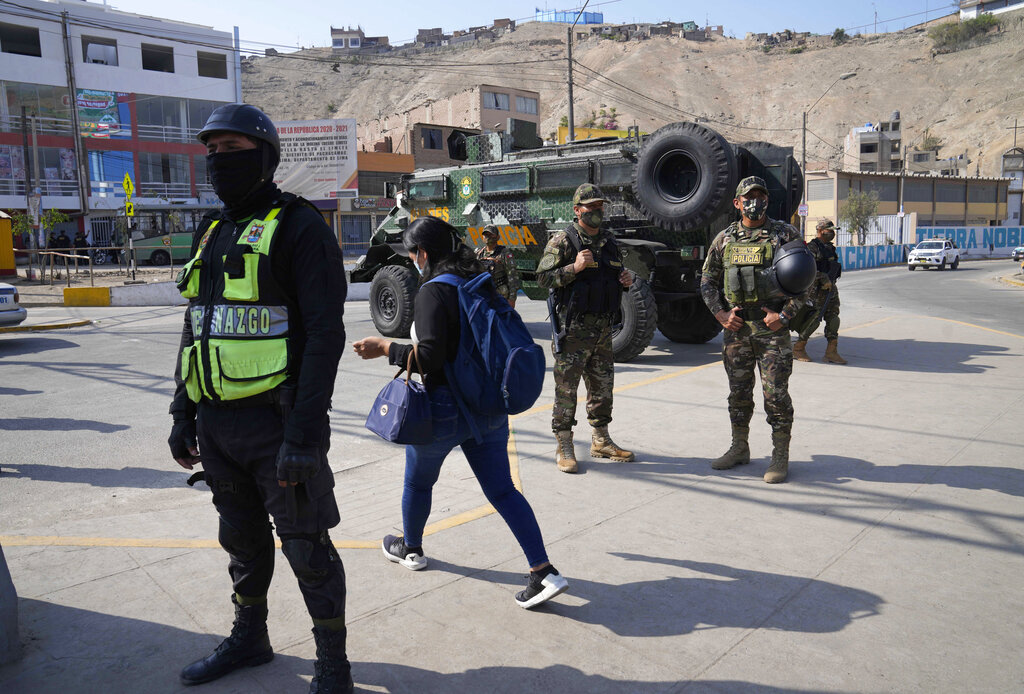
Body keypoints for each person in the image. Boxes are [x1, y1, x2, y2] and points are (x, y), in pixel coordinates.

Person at [166, 104, 351, 693]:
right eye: (212, 152)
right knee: (242, 543)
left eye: (233, 150)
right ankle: (251, 638)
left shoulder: (300, 228)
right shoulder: (212, 230)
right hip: (218, 426)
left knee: (307, 548)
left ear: (265, 157)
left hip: (279, 426)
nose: (220, 162)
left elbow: (326, 336)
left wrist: (303, 435)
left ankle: (333, 665)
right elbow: (197, 326)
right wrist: (182, 411)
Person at [352, 216, 569, 610]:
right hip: (487, 407)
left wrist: (385, 348)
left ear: (423, 254)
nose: (412, 261)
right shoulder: (478, 281)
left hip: (441, 411)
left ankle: (411, 549)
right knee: (503, 490)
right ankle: (543, 571)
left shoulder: (432, 291)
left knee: (418, 484)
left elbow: (431, 358)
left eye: (412, 253)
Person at [700, 176, 809, 484]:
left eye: (760, 196)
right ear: (737, 203)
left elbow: (806, 281)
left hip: (771, 331)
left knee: (775, 394)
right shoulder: (724, 239)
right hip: (736, 330)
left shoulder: (784, 234)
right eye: (749, 197)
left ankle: (779, 455)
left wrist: (784, 316)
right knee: (738, 393)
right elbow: (707, 281)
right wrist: (721, 315)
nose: (755, 201)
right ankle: (739, 447)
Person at [535, 183, 635, 474]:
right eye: (590, 208)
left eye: (599, 207)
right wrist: (573, 268)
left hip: (604, 329)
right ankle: (564, 443)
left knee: (603, 388)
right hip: (574, 330)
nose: (596, 212)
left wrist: (625, 279)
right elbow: (542, 280)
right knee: (567, 390)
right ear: (577, 210)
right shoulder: (563, 241)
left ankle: (601, 440)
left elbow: (614, 276)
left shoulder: (609, 241)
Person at [793, 220, 847, 364]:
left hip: (831, 289)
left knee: (833, 318)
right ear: (820, 230)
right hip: (816, 290)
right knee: (814, 320)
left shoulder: (829, 248)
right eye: (829, 230)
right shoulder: (812, 247)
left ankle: (831, 352)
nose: (832, 233)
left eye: (833, 230)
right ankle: (798, 348)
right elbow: (806, 269)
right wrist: (822, 277)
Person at [475, 224, 521, 307]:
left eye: (491, 234)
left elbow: (513, 277)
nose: (488, 237)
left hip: (501, 297)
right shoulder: (479, 254)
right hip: (484, 296)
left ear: (497, 237)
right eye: (486, 235)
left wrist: (512, 299)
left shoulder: (504, 253)